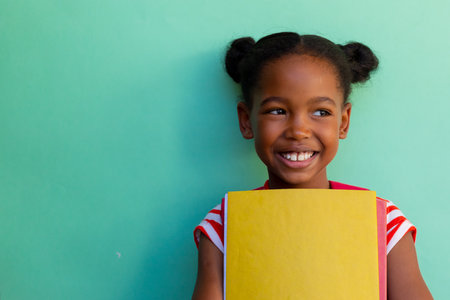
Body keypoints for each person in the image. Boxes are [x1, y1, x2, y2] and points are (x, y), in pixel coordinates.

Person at [191, 32, 432, 300]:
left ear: (343, 122)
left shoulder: (384, 223)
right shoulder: (224, 225)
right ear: (246, 121)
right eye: (277, 111)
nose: (298, 131)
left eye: (321, 112)